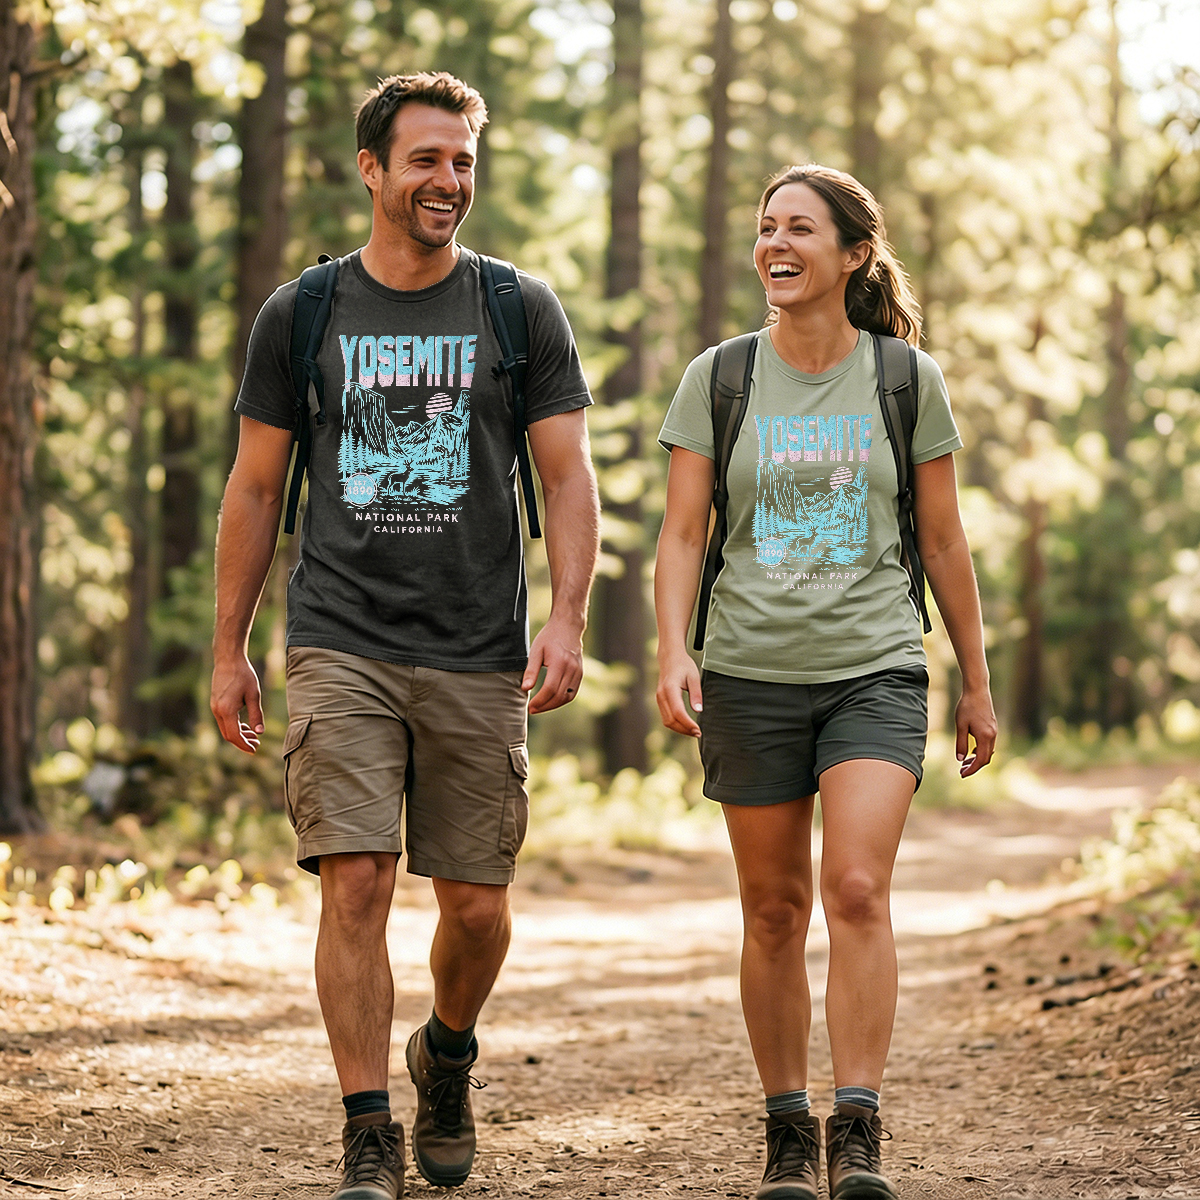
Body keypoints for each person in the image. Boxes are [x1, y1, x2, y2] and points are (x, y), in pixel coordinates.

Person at [210, 72, 600, 1200]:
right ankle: (367, 1127)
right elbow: (254, 488)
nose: (449, 182)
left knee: (476, 907)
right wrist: (229, 647)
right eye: (426, 160)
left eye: (464, 161)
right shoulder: (305, 313)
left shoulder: (518, 309)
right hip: (342, 633)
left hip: (480, 644)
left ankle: (447, 1053)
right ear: (373, 169)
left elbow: (567, 478)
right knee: (359, 881)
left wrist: (567, 617)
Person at [654, 164, 996, 1200]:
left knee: (854, 887)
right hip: (750, 672)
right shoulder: (720, 377)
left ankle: (858, 1126)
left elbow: (943, 539)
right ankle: (786, 1132)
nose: (775, 244)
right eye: (765, 228)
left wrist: (976, 681)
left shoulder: (903, 378)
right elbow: (681, 535)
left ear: (854, 255)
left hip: (875, 668)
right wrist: (674, 649)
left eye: (799, 228)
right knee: (771, 909)